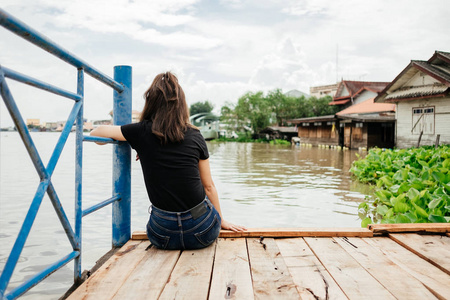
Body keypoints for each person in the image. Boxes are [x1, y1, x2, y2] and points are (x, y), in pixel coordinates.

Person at [90, 71, 245, 250]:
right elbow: (208, 186)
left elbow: (96, 134)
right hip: (202, 233)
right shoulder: (195, 135)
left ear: (151, 104)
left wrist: (138, 145)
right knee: (202, 202)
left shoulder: (140, 132)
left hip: (162, 235)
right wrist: (220, 220)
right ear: (181, 105)